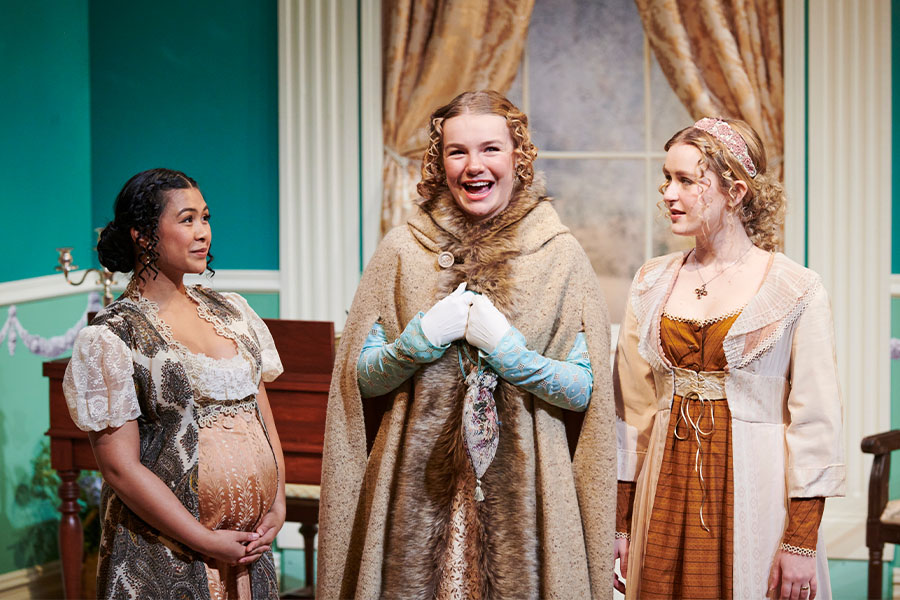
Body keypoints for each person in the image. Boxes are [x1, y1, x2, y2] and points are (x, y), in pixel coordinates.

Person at [317, 90, 615, 598]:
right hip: (413, 492)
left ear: (518, 156)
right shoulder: (403, 248)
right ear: (440, 161)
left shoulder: (559, 254)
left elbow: (584, 390)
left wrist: (511, 354)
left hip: (529, 498)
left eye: (490, 149)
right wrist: (419, 341)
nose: (474, 166)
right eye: (458, 152)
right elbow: (362, 379)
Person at [613, 118, 845, 600]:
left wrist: (800, 542)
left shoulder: (794, 288)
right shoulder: (651, 282)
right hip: (665, 493)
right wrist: (621, 521)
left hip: (755, 493)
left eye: (686, 181)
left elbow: (816, 424)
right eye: (666, 178)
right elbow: (631, 416)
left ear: (735, 190)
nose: (668, 194)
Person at [63, 168, 286, 599]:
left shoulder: (234, 312)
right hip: (166, 554)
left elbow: (263, 419)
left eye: (205, 218)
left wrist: (276, 504)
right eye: (187, 220)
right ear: (144, 235)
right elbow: (119, 468)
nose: (203, 232)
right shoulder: (112, 335)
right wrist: (202, 539)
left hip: (248, 549)